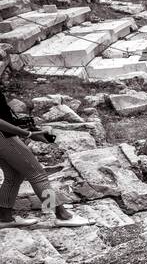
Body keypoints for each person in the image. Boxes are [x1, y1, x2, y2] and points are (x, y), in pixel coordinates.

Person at [0, 85, 89, 228]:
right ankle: (62, 215)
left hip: (4, 135)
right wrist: (26, 134)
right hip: (3, 137)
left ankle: (4, 218)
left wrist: (26, 129)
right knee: (37, 175)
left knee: (14, 175)